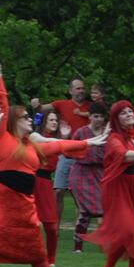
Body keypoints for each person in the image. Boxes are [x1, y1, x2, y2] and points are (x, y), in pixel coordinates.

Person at [0, 57, 105, 267]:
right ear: (14, 122)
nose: (31, 120)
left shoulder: (33, 145)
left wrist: (88, 142)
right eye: (25, 118)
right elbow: (1, 102)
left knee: (35, 248)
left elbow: (61, 145)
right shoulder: (1, 136)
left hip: (23, 202)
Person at [85, 101, 134, 267]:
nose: (128, 114)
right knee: (127, 231)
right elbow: (122, 154)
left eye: (130, 110)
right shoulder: (115, 138)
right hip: (122, 190)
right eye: (123, 113)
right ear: (115, 119)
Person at [44, 78, 92, 223]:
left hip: (83, 158)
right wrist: (37, 105)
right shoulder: (61, 104)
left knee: (79, 197)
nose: (81, 91)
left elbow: (104, 115)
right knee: (58, 191)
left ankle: (79, 235)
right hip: (66, 156)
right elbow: (42, 109)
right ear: (70, 91)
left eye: (83, 88)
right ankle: (55, 228)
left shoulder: (91, 107)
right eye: (78, 88)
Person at [30, 108, 69, 265]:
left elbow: (68, 148)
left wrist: (65, 138)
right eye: (51, 120)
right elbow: (47, 143)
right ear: (43, 122)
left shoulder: (57, 140)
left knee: (51, 226)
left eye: (55, 120)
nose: (54, 123)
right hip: (31, 180)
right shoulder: (36, 137)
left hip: (45, 183)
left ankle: (50, 258)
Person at [69, 101, 107, 252]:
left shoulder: (108, 134)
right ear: (90, 117)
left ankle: (104, 243)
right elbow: (70, 149)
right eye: (95, 116)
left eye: (100, 116)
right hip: (81, 173)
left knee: (103, 209)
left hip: (100, 173)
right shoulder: (81, 133)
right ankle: (78, 246)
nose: (98, 119)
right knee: (86, 210)